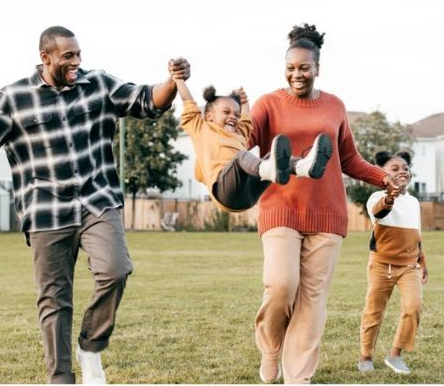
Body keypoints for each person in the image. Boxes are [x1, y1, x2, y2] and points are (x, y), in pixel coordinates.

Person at [0, 26, 190, 384]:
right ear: (46, 58)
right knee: (54, 300)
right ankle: (60, 377)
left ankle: (90, 346)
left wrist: (171, 81)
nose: (76, 62)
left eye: (78, 54)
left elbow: (144, 99)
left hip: (97, 200)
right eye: (68, 56)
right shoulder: (15, 98)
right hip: (45, 211)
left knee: (116, 270)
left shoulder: (99, 84)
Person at [248, 23, 400, 384]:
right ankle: (271, 349)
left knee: (312, 303)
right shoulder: (267, 103)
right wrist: (228, 117)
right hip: (280, 207)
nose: (296, 74)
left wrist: (384, 177)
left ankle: (297, 378)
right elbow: (244, 140)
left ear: (318, 68)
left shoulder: (335, 106)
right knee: (281, 285)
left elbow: (349, 159)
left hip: (327, 214)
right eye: (291, 68)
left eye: (304, 67)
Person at [173, 79, 332, 211]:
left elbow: (246, 119)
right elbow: (188, 102)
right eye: (226, 112)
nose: (233, 117)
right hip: (224, 192)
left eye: (236, 114)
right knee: (242, 156)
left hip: (248, 196)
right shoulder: (202, 128)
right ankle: (269, 170)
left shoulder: (240, 134)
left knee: (271, 157)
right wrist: (179, 79)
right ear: (208, 116)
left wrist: (244, 102)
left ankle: (304, 167)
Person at [357, 151, 429, 375]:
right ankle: (365, 356)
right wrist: (390, 195)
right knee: (374, 312)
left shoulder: (414, 202)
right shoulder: (375, 198)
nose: (402, 172)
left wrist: (422, 258)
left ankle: (395, 354)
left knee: (414, 306)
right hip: (381, 265)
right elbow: (380, 211)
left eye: (405, 168)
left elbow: (416, 232)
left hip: (409, 266)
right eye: (395, 169)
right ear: (383, 173)